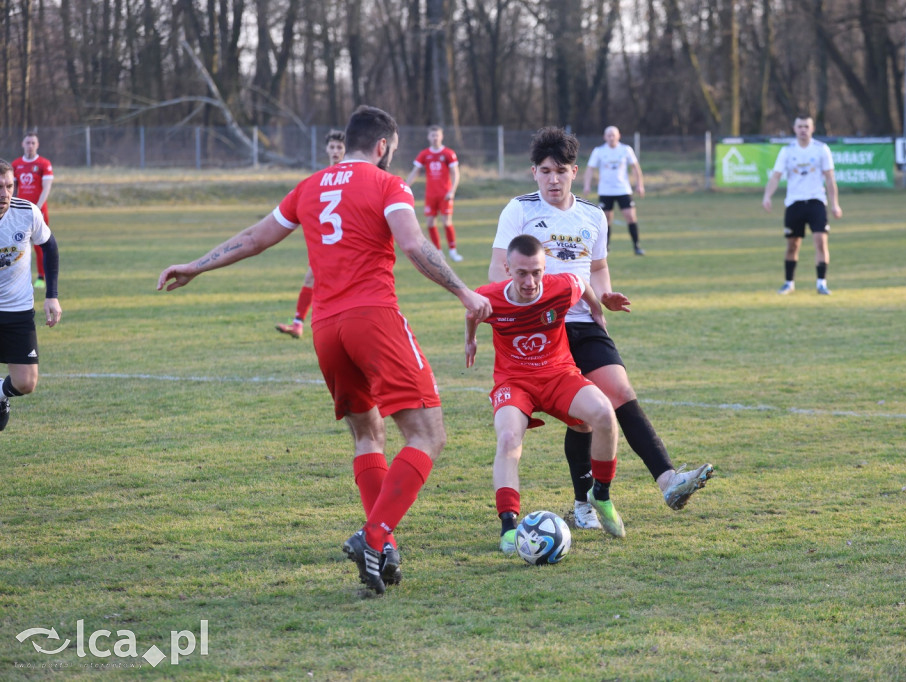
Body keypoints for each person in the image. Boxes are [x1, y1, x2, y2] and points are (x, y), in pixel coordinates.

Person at [158, 106, 491, 595]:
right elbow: (415, 244)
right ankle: (373, 536)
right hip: (373, 319)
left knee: (367, 435)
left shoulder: (309, 187)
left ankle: (385, 547)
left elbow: (255, 238)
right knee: (427, 435)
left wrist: (196, 265)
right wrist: (464, 291)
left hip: (326, 328)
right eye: (391, 151)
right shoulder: (389, 185)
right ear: (382, 146)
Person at [489, 127, 714, 532]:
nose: (553, 180)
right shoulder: (518, 210)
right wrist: (515, 312)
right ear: (533, 174)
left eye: (560, 171)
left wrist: (604, 295)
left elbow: (597, 268)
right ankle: (583, 503)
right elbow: (498, 270)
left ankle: (668, 481)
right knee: (582, 421)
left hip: (585, 322)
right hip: (540, 328)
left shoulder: (592, 216)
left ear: (575, 171)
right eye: (544, 171)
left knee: (620, 393)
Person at [468, 235, 626, 552]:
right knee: (509, 438)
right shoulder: (489, 297)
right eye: (522, 273)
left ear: (545, 268)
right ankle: (509, 529)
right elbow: (473, 311)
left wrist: (597, 310)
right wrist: (470, 340)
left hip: (558, 374)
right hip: (514, 382)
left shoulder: (561, 286)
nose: (530, 281)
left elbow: (582, 285)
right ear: (507, 268)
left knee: (604, 415)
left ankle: (602, 495)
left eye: (536, 272)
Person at [0, 159, 62, 432]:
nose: (5, 193)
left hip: (18, 310)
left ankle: (1, 396)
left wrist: (52, 295)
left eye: (9, 186)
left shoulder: (27, 212)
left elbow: (50, 247)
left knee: (26, 383)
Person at [276, 129, 347, 339]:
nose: (335, 151)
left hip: (347, 242)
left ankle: (338, 326)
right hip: (326, 242)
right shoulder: (323, 178)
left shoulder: (351, 174)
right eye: (332, 147)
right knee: (311, 278)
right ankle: (298, 324)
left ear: (346, 150)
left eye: (340, 147)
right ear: (326, 149)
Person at [762, 115, 843, 295]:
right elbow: (776, 176)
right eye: (800, 126)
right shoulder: (787, 151)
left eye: (806, 126)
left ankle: (821, 283)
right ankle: (788, 282)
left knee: (821, 242)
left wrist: (835, 204)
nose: (803, 130)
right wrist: (767, 196)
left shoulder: (822, 149)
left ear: (812, 128)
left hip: (816, 201)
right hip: (794, 203)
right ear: (794, 128)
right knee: (793, 245)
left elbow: (830, 178)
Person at [581, 126, 646, 255]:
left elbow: (635, 167)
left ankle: (636, 246)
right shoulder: (599, 151)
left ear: (619, 136)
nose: (611, 137)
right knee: (606, 219)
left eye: (613, 135)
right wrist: (587, 185)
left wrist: (640, 185)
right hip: (605, 191)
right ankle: (605, 248)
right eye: (608, 135)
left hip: (623, 189)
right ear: (605, 137)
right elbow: (589, 169)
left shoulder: (626, 150)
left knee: (630, 216)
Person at [405, 125, 462, 262]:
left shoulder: (448, 153)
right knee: (430, 223)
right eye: (432, 135)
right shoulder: (424, 154)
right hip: (430, 195)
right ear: (428, 137)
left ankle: (453, 251)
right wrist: (405, 186)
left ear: (441, 136)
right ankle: (438, 251)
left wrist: (452, 190)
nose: (435, 138)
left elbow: (455, 173)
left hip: (445, 194)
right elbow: (415, 172)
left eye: (437, 135)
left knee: (446, 222)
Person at [11, 132, 54, 289]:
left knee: (40, 244)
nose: (30, 145)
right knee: (18, 243)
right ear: (23, 144)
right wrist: (12, 207)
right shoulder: (15, 165)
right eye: (27, 142)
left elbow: (46, 187)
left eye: (33, 143)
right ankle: (18, 277)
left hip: (39, 211)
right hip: (19, 212)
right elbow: (12, 189)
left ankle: (41, 277)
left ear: (37, 145)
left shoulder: (44, 163)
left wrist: (37, 207)